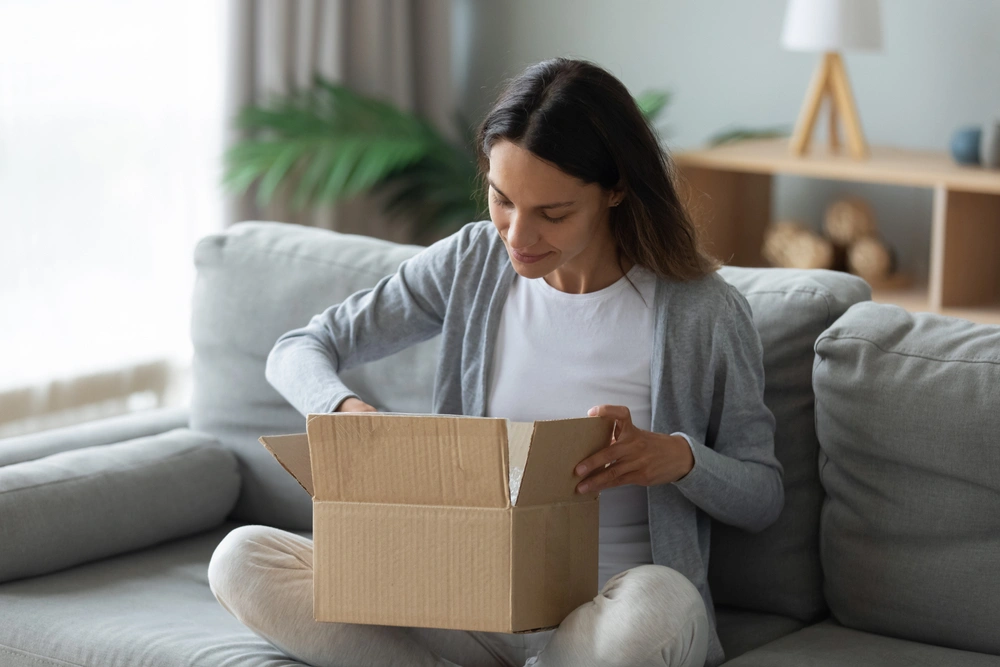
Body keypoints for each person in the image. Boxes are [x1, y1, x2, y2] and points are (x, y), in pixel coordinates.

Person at [208, 57, 783, 667]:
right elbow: (298, 348)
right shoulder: (472, 264)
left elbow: (763, 496)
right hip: (464, 601)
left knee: (660, 609)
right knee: (242, 559)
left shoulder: (703, 311)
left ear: (616, 190)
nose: (517, 235)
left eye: (553, 214)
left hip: (607, 618)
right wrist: (344, 411)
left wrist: (679, 458)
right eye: (502, 200)